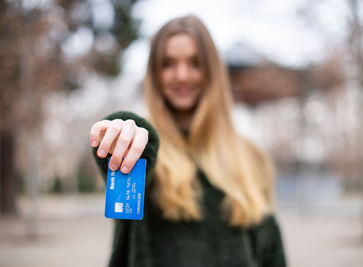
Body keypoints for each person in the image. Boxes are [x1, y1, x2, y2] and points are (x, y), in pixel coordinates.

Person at [90, 15, 287, 267]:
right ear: (154, 74)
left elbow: (271, 253)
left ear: (212, 71)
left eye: (195, 63)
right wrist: (120, 131)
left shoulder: (252, 156)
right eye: (168, 64)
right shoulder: (144, 151)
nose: (182, 76)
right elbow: (125, 162)